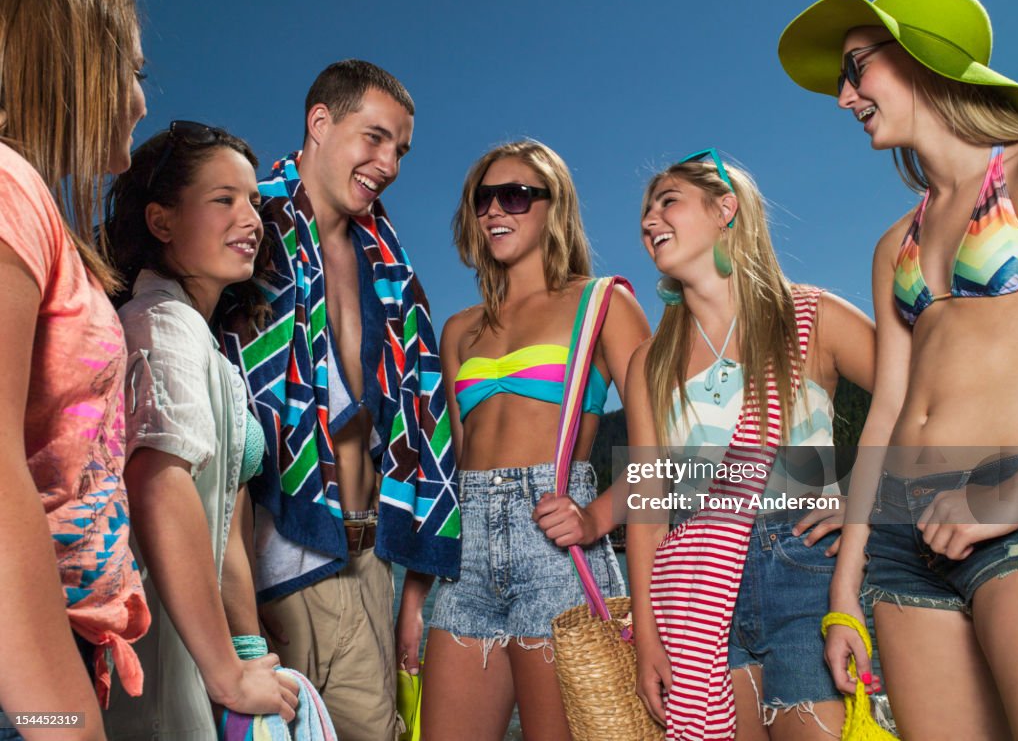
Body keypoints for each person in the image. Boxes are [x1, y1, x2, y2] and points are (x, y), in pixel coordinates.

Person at [779, 0, 1018, 738]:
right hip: (902, 537)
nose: (844, 97)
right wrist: (844, 591)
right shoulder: (895, 244)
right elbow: (885, 410)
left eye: (856, 68)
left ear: (920, 55)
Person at [220, 59, 460, 741]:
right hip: (270, 556)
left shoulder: (388, 263)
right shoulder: (248, 226)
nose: (388, 163)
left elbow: (417, 423)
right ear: (320, 122)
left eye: (402, 150)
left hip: (363, 552)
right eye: (375, 137)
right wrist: (234, 612)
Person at [626, 151, 874, 740]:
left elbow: (923, 405)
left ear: (725, 210)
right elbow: (646, 511)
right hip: (693, 593)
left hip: (804, 567)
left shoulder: (812, 316)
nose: (648, 219)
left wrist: (870, 499)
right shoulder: (649, 362)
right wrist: (646, 639)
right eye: (645, 210)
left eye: (668, 201)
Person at [421, 140, 650, 740]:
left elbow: (665, 443)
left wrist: (599, 515)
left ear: (555, 207)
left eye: (516, 195)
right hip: (464, 553)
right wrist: (416, 587)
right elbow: (450, 468)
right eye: (483, 199)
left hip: (557, 551)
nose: (496, 210)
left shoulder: (603, 304)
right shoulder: (459, 330)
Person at [103, 123, 299, 737]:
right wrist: (228, 674)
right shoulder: (162, 327)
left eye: (253, 202)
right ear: (162, 223)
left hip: (197, 652)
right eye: (224, 200)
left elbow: (224, 519)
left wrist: (244, 649)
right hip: (154, 665)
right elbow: (160, 486)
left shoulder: (200, 342)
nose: (251, 218)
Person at [0, 0, 151, 738]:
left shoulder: (31, 203)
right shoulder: (8, 185)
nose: (140, 100)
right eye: (131, 69)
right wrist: (60, 717)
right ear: (71, 57)